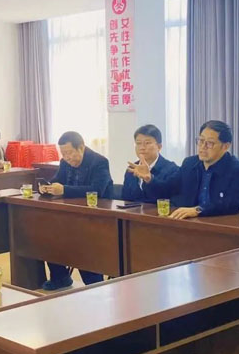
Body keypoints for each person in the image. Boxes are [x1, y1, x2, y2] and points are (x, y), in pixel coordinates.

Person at [40, 131, 113, 290]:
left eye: (70, 153)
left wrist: (64, 190)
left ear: (81, 147)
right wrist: (46, 186)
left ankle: (95, 285)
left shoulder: (99, 162)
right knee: (47, 235)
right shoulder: (65, 162)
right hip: (71, 215)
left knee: (82, 243)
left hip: (96, 218)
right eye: (64, 154)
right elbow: (57, 180)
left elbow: (97, 190)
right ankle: (60, 278)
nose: (67, 157)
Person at [141, 120, 239, 220]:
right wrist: (149, 179)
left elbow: (234, 204)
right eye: (201, 141)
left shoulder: (238, 170)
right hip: (188, 222)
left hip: (220, 224)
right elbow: (168, 188)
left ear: (225, 146)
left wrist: (198, 210)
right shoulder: (190, 164)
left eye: (210, 143)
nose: (203, 147)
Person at [122, 124, 179, 203]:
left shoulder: (172, 170)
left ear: (159, 147)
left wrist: (150, 180)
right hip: (132, 211)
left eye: (147, 143)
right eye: (138, 143)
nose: (142, 147)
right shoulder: (132, 169)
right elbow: (125, 200)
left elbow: (167, 198)